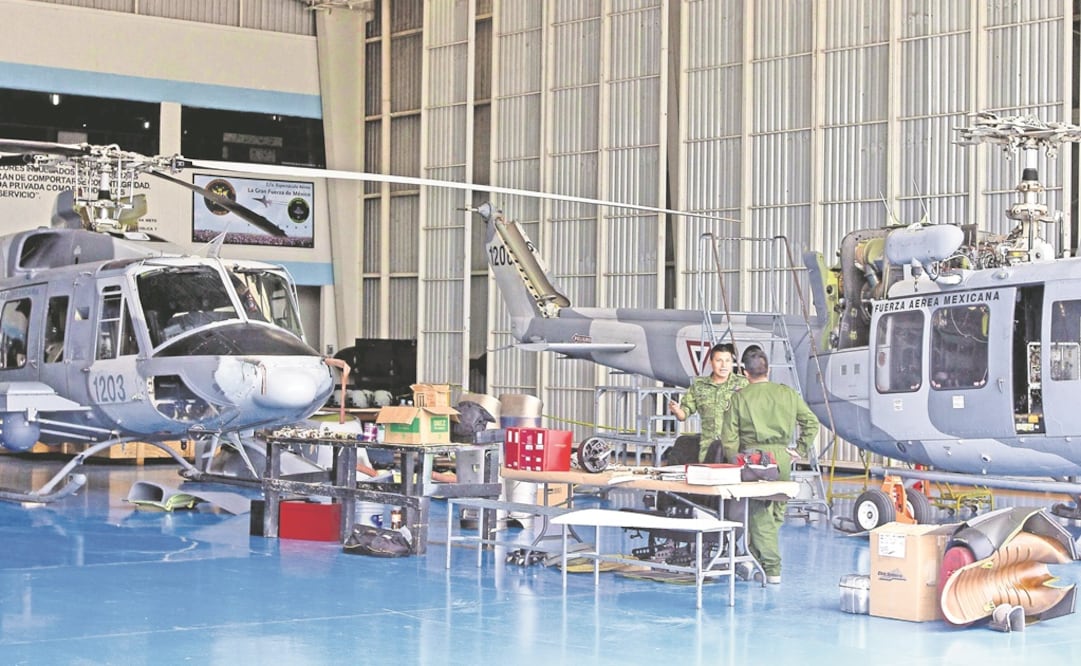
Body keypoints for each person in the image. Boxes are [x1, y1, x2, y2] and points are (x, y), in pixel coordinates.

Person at [721, 347, 819, 585]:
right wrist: (800, 449)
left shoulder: (739, 398)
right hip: (782, 459)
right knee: (775, 513)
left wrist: (735, 463)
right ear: (768, 370)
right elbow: (811, 422)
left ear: (745, 372)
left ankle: (772, 568)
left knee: (758, 514)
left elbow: (729, 439)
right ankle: (756, 561)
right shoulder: (788, 394)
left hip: (755, 461)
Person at [669, 342, 749, 462]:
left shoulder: (743, 384)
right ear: (711, 362)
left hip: (736, 450)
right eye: (719, 360)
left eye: (727, 361)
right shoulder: (699, 386)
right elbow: (683, 415)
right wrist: (676, 410)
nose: (724, 365)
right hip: (708, 450)